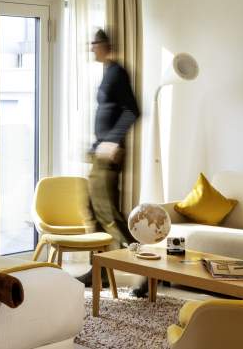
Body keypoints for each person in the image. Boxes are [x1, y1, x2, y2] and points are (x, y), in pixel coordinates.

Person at [76, 29, 148, 298]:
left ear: (105, 44)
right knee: (92, 212)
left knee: (110, 218)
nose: (91, 48)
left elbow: (133, 110)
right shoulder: (108, 71)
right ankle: (99, 272)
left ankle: (146, 271)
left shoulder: (118, 72)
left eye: (94, 44)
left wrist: (113, 141)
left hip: (108, 155)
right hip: (99, 152)